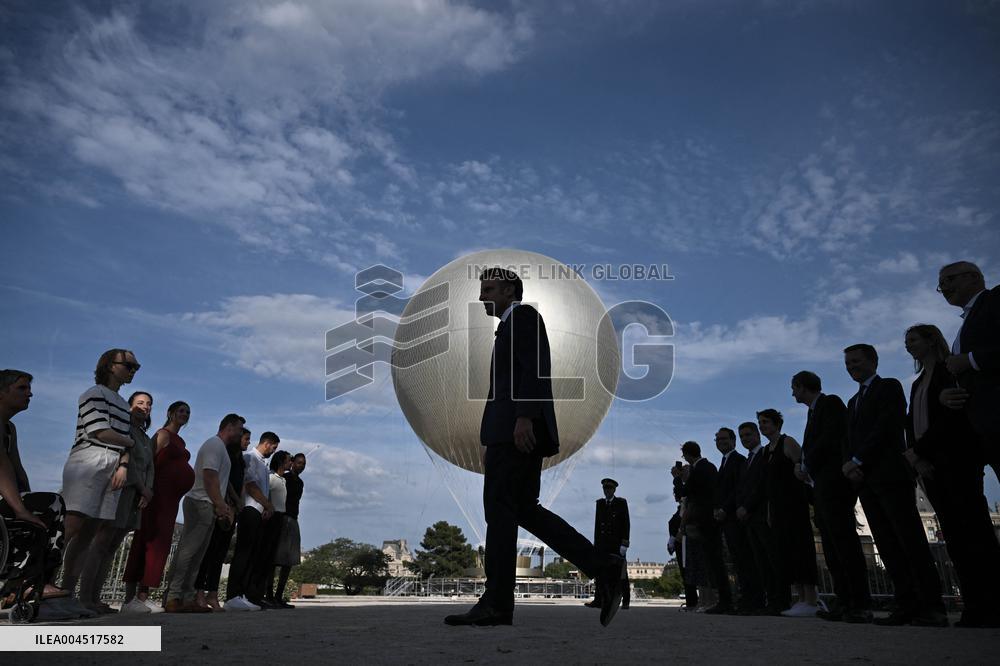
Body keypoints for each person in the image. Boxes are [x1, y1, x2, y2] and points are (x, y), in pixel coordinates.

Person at [444, 267, 624, 627]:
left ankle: (496, 603)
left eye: (489, 289)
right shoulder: (509, 325)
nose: (482, 297)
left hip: (516, 432)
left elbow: (535, 368)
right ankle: (605, 567)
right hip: (507, 434)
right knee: (526, 511)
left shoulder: (523, 317)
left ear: (510, 290)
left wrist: (523, 417)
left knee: (499, 514)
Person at [902, 324, 1000, 628]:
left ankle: (992, 604)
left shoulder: (950, 372)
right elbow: (911, 423)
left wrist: (921, 451)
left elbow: (951, 419)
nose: (908, 346)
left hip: (954, 460)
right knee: (956, 539)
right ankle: (975, 606)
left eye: (913, 340)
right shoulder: (918, 383)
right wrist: (914, 457)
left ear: (931, 340)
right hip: (927, 466)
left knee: (975, 534)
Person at [842, 343, 947, 627]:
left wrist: (857, 459)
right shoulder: (853, 402)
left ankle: (932, 606)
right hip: (866, 481)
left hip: (889, 474)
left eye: (856, 361)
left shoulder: (888, 387)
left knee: (909, 540)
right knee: (887, 545)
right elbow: (851, 438)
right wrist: (850, 465)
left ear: (873, 361)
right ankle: (906, 603)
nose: (852, 367)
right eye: (848, 363)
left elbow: (887, 426)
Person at [0, 370, 83, 621]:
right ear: (2, 391)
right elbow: (1, 468)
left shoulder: (9, 429)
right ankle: (30, 582)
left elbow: (17, 471)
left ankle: (30, 583)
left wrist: (26, 499)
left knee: (44, 507)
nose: (30, 393)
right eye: (22, 389)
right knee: (52, 503)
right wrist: (21, 508)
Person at [60, 349, 139, 613]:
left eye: (135, 366)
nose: (133, 369)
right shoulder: (93, 394)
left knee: (90, 533)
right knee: (71, 528)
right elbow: (99, 430)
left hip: (115, 464)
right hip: (89, 459)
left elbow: (121, 438)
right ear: (109, 365)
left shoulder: (121, 403)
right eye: (128, 364)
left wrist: (124, 464)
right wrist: (128, 445)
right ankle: (41, 586)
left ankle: (70, 595)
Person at [791, 371, 872, 623]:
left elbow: (830, 439)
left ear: (803, 387)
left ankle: (858, 601)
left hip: (834, 483)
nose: (793, 393)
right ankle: (844, 600)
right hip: (821, 486)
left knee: (844, 543)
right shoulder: (812, 412)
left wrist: (806, 464)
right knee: (832, 546)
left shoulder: (831, 403)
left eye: (794, 388)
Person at [163, 413, 242, 613]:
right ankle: (174, 596)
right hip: (201, 502)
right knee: (189, 551)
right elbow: (210, 476)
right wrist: (220, 504)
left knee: (197, 554)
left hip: (207, 503)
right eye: (239, 429)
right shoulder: (214, 445)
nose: (241, 433)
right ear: (230, 427)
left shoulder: (220, 448)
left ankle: (187, 597)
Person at [122, 400, 195, 611]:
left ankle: (144, 595)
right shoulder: (163, 434)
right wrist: (145, 489)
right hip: (156, 497)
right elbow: (147, 461)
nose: (185, 414)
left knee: (160, 546)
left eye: (187, 412)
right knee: (146, 541)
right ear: (170, 413)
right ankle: (132, 598)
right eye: (181, 410)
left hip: (171, 502)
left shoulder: (180, 440)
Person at [91, 392, 155, 614]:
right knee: (101, 543)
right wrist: (141, 487)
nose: (144, 407)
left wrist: (148, 491)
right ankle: (86, 597)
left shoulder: (146, 438)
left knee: (112, 547)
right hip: (123, 491)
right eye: (139, 403)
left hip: (138, 497)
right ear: (129, 406)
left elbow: (149, 467)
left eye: (148, 404)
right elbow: (127, 461)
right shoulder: (123, 429)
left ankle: (96, 598)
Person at [936, 261, 1000, 482]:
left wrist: (971, 360)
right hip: (983, 430)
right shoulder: (964, 326)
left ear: (974, 277)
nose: (944, 287)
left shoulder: (995, 299)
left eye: (949, 280)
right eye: (940, 284)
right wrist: (947, 394)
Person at [757, 408, 819, 617]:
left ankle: (810, 598)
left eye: (766, 422)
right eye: (761, 422)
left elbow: (803, 465)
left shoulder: (788, 442)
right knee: (787, 553)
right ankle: (800, 597)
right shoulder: (766, 451)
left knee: (801, 548)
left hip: (794, 503)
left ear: (776, 424)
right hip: (776, 507)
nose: (762, 426)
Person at [194, 426, 250, 612]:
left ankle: (213, 593)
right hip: (223, 504)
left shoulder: (240, 460)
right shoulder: (224, 453)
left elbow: (240, 482)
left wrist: (239, 502)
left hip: (233, 507)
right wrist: (231, 500)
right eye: (244, 438)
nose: (246, 441)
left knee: (220, 554)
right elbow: (222, 481)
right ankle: (199, 591)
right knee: (209, 552)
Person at [225, 431, 279, 611]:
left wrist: (265, 507)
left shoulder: (263, 465)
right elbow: (251, 485)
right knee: (243, 553)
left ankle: (247, 594)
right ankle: (234, 594)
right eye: (274, 447)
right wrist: (268, 504)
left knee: (254, 556)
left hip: (259, 511)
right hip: (249, 509)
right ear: (267, 443)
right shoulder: (250, 458)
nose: (273, 451)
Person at [734, 421, 783, 615]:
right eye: (742, 436)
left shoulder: (764, 456)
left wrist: (746, 506)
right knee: (760, 561)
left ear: (757, 435)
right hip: (748, 516)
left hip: (761, 514)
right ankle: (768, 599)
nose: (745, 439)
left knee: (771, 559)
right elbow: (742, 487)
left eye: (748, 435)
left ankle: (778, 599)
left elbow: (761, 485)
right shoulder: (748, 460)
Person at [677, 440, 732, 614]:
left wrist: (678, 479)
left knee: (712, 562)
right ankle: (722, 599)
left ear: (687, 454)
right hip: (709, 519)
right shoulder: (708, 467)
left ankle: (723, 600)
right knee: (711, 562)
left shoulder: (700, 469)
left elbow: (683, 493)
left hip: (704, 521)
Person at [712, 427, 762, 614]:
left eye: (724, 439)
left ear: (733, 441)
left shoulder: (738, 460)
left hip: (735, 517)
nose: (720, 442)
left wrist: (724, 509)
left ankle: (752, 598)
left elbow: (737, 489)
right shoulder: (725, 462)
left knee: (744, 559)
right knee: (737, 560)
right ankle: (744, 598)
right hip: (726, 518)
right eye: (717, 439)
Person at [585, 478, 630, 610]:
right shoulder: (600, 504)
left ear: (614, 489)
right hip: (603, 544)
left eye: (609, 488)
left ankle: (626, 600)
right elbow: (597, 526)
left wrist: (625, 543)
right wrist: (596, 544)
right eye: (605, 489)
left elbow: (626, 523)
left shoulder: (621, 503)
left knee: (621, 572)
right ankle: (598, 600)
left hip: (616, 544)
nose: (607, 491)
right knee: (600, 572)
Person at [270, 452, 306, 608]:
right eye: (299, 463)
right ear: (292, 463)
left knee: (289, 561)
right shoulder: (285, 478)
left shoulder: (300, 482)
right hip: (282, 517)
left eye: (303, 464)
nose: (301, 466)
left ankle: (278, 595)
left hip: (293, 518)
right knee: (275, 558)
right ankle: (269, 594)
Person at [260, 451, 292, 609]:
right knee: (266, 557)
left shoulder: (283, 480)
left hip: (280, 516)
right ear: (281, 462)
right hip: (271, 516)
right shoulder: (271, 477)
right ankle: (266, 594)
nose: (290, 463)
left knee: (273, 556)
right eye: (288, 461)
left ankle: (271, 596)